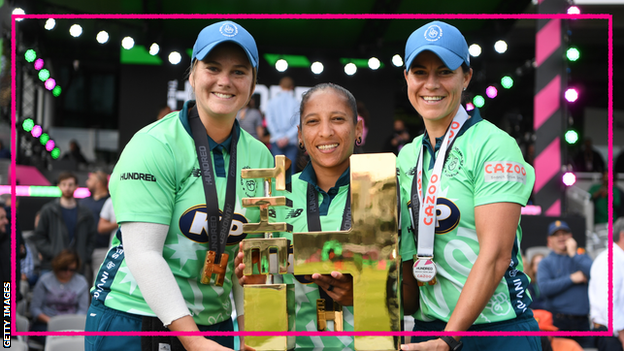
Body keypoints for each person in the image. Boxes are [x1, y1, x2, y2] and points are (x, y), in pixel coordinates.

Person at [84, 20, 272, 351]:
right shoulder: (154, 144)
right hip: (134, 317)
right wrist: (194, 342)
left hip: (214, 323)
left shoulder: (260, 155)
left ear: (253, 83)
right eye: (213, 68)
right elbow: (143, 254)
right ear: (193, 75)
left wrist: (254, 338)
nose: (224, 81)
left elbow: (251, 261)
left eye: (239, 72)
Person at [398, 21, 540, 351]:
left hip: (497, 331)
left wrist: (450, 338)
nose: (430, 84)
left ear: (466, 77)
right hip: (427, 330)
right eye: (419, 72)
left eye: (444, 71)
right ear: (406, 78)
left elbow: (496, 255)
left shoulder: (494, 145)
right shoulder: (406, 157)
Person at [235, 82, 362, 349]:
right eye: (313, 122)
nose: (326, 132)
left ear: (358, 128)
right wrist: (256, 283)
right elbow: (261, 329)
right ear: (300, 136)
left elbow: (411, 293)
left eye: (338, 119)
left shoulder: (386, 191)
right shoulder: (277, 196)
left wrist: (363, 294)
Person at [537, 220, 594, 348]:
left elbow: (594, 272)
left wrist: (573, 253)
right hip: (559, 321)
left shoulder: (581, 256)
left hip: (583, 322)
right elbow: (544, 288)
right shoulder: (546, 262)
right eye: (557, 234)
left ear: (571, 236)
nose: (561, 237)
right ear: (550, 240)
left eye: (565, 233)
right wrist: (572, 278)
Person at [32, 172, 96, 276]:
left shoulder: (86, 213)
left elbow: (92, 238)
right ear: (59, 186)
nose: (67, 188)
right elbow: (39, 236)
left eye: (70, 185)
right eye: (64, 184)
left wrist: (84, 256)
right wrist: (53, 252)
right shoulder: (48, 210)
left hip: (77, 266)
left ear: (76, 187)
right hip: (53, 265)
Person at [29, 249, 89, 344]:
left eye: (72, 270)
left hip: (72, 324)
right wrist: (51, 321)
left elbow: (83, 309)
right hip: (46, 323)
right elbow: (35, 309)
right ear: (58, 266)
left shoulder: (82, 282)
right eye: (64, 269)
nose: (68, 272)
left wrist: (72, 323)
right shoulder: (44, 280)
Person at [588, 217, 624, 351]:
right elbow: (607, 304)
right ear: (622, 235)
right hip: (611, 334)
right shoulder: (610, 260)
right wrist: (622, 334)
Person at [265, 76, 300, 174]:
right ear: (292, 87)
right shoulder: (296, 102)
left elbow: (269, 121)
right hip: (291, 140)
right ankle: (289, 190)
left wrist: (278, 136)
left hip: (276, 140)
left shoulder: (272, 102)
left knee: (278, 171)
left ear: (280, 86)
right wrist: (287, 137)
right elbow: (298, 122)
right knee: (290, 171)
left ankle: (277, 190)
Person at [80, 171, 110, 280]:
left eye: (90, 180)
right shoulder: (84, 202)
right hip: (84, 248)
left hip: (102, 248)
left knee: (99, 282)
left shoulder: (111, 201)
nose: (86, 182)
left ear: (99, 183)